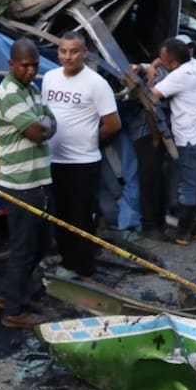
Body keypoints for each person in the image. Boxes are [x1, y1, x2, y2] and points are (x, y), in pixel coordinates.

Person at [44, 32, 121, 279]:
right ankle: (68, 262)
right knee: (61, 215)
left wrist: (89, 141)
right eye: (63, 51)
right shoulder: (49, 78)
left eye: (74, 51)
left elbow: (113, 124)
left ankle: (84, 268)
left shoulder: (96, 83)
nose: (67, 57)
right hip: (54, 161)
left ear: (84, 53)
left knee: (82, 217)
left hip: (83, 163)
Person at [0, 39, 55, 329]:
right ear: (11, 64)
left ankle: (8, 294)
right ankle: (13, 313)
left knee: (41, 245)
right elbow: (37, 131)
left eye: (35, 65)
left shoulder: (31, 90)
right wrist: (42, 125)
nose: (31, 71)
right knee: (23, 249)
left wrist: (44, 125)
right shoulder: (9, 94)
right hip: (22, 184)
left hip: (39, 181)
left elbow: (50, 123)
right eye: (25, 65)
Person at [151, 38, 196, 245]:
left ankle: (182, 234)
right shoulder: (195, 65)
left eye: (163, 60)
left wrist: (147, 77)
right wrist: (154, 64)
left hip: (191, 142)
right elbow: (165, 61)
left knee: (187, 188)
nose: (160, 62)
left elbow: (151, 96)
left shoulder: (179, 76)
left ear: (172, 63)